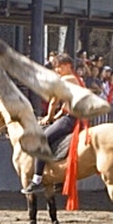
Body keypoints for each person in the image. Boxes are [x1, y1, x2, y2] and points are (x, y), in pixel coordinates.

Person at [24, 53, 86, 194]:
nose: (57, 70)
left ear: (67, 65)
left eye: (58, 67)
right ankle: (58, 178)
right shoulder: (78, 79)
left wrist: (49, 116)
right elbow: (67, 104)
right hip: (75, 117)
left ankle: (37, 179)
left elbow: (53, 102)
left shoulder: (65, 79)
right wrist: (56, 117)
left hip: (70, 120)